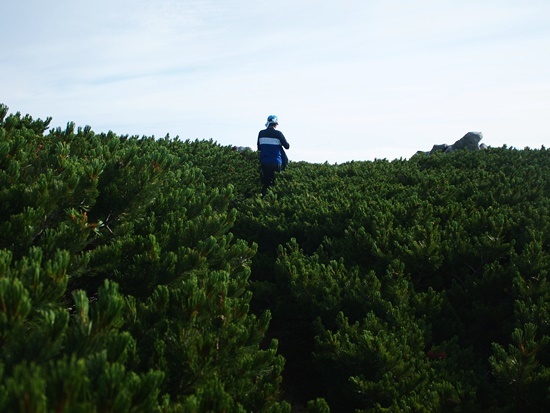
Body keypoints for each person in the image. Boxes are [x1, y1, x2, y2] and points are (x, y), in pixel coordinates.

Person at [257, 115, 290, 197]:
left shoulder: (261, 133)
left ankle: (263, 200)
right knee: (276, 183)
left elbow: (259, 148)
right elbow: (287, 146)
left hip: (264, 162)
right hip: (276, 162)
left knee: (266, 183)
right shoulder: (278, 134)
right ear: (276, 124)